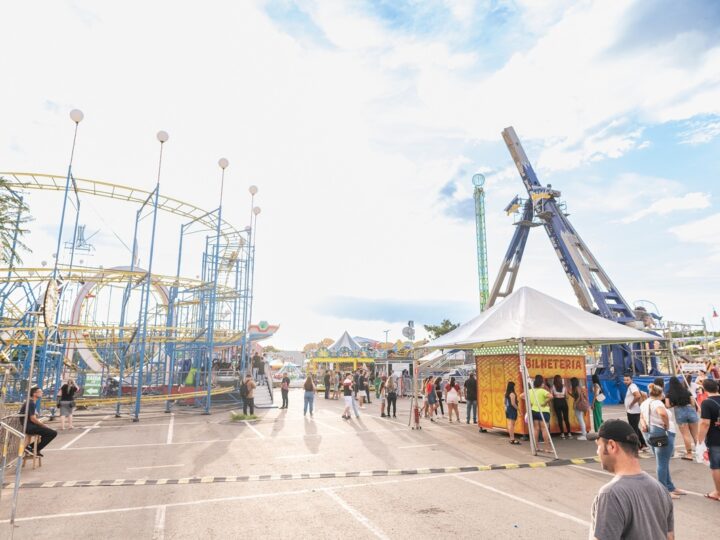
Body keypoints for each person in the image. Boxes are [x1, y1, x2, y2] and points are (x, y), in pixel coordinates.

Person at [589, 419, 674, 540]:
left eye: (599, 446)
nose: (597, 452)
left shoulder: (611, 494)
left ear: (612, 446)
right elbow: (670, 537)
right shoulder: (660, 489)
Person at [640, 383, 683, 499]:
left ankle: (670, 486)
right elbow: (662, 413)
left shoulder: (645, 403)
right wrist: (667, 425)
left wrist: (644, 425)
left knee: (662, 461)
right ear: (660, 393)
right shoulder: (657, 403)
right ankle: (664, 490)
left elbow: (642, 417)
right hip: (661, 433)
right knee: (662, 462)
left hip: (650, 433)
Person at [665, 376, 699, 460]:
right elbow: (693, 403)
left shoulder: (669, 393)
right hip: (690, 410)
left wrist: (675, 404)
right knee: (695, 434)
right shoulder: (686, 391)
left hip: (679, 411)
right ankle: (700, 453)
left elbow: (667, 405)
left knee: (685, 435)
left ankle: (689, 454)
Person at [697, 378, 720, 501]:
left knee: (716, 466)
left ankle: (718, 492)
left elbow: (705, 423)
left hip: (715, 438)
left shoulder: (707, 403)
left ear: (704, 389)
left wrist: (699, 440)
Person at [19, 387, 57, 457]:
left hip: (30, 425)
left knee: (48, 432)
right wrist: (43, 425)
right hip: (29, 427)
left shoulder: (31, 402)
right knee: (53, 433)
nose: (42, 393)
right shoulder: (31, 403)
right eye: (40, 392)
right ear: (34, 394)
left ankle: (34, 448)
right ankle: (31, 448)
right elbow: (32, 418)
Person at [520, 375, 552, 453]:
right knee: (544, 429)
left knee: (536, 429)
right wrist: (544, 402)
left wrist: (530, 401)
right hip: (543, 411)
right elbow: (551, 396)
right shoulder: (543, 391)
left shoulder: (531, 391)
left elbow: (521, 395)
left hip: (534, 411)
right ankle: (547, 448)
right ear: (542, 384)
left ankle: (536, 447)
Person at [623, 373, 648, 451]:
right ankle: (643, 444)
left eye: (627, 380)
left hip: (633, 411)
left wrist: (631, 404)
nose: (626, 381)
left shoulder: (632, 386)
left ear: (631, 380)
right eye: (625, 380)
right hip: (632, 411)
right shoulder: (631, 387)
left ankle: (636, 446)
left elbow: (637, 396)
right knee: (635, 428)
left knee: (633, 429)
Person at [551, 375, 571, 439]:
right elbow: (567, 397)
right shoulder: (564, 387)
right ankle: (569, 433)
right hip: (563, 402)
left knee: (559, 418)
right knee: (566, 418)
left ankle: (562, 434)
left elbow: (551, 396)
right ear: (560, 380)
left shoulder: (552, 387)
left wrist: (556, 395)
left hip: (556, 402)